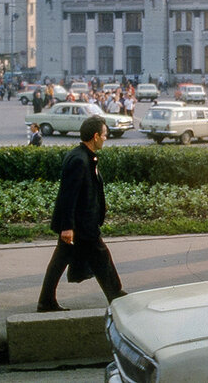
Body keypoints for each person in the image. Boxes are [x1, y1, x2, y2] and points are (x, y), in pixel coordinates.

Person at [37, 116, 127, 312]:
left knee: (62, 260)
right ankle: (115, 295)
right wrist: (67, 227)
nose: (105, 139)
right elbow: (68, 196)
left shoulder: (85, 156)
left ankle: (46, 301)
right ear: (95, 136)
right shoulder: (79, 159)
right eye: (104, 135)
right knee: (100, 256)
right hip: (81, 225)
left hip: (82, 223)